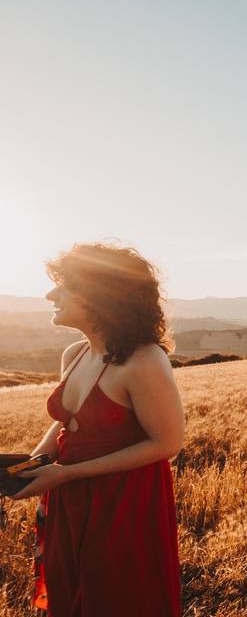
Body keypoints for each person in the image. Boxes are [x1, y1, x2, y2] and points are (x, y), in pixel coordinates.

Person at [13, 243, 184, 616]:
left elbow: (167, 442)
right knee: (69, 588)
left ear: (101, 295)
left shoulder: (144, 361)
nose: (50, 295)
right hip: (68, 495)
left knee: (115, 598)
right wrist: (29, 466)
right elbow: (65, 423)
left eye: (64, 286)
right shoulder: (74, 354)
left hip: (122, 503)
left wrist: (66, 474)